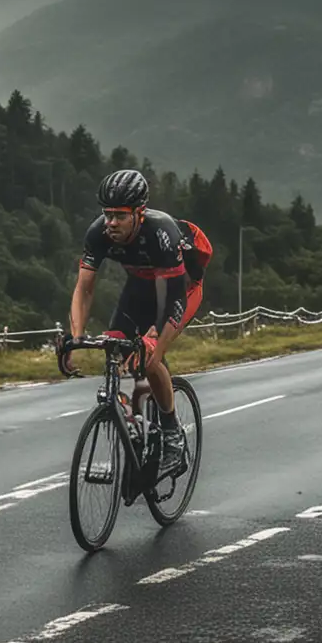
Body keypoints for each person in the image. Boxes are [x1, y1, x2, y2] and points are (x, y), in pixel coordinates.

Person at [60, 169, 209, 470]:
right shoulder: (98, 232)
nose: (111, 223)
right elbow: (84, 289)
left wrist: (155, 340)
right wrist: (75, 338)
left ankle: (171, 434)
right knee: (115, 340)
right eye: (107, 214)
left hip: (182, 288)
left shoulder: (161, 231)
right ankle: (125, 413)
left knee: (151, 359)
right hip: (141, 284)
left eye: (120, 215)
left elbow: (171, 301)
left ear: (139, 214)